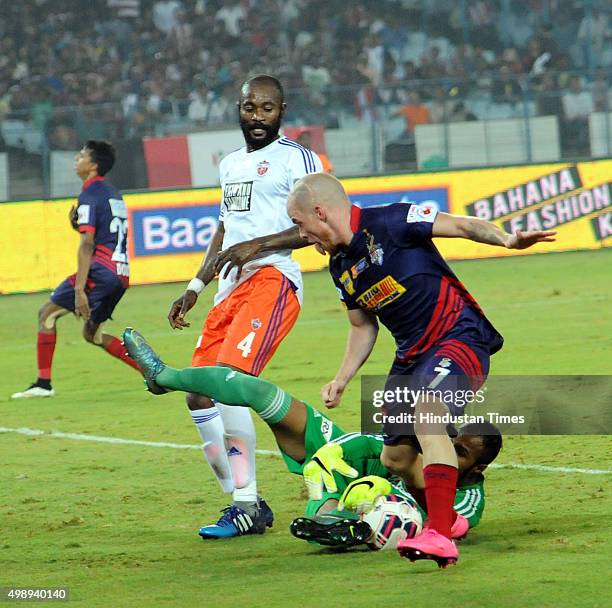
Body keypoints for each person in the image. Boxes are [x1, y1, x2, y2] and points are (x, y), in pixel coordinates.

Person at [285, 173, 555, 566]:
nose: (302, 235)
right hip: (412, 357)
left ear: (320, 212)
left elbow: (462, 225)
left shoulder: (392, 220)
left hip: (460, 339)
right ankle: (450, 518)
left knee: (429, 414)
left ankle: (440, 535)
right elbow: (362, 326)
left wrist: (507, 240)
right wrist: (341, 378)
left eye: (299, 223)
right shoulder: (340, 266)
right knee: (396, 458)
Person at [122, 328, 501, 549]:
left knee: (345, 503)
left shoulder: (468, 500)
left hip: (359, 490)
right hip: (342, 453)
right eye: (453, 439)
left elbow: (442, 521)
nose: (449, 447)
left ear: (479, 467)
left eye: (461, 450)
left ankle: (328, 523)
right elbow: (363, 445)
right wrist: (334, 456)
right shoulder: (421, 446)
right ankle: (164, 377)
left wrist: (372, 501)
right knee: (261, 393)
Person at [166, 75, 323, 539]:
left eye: (267, 109)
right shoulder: (230, 163)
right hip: (227, 289)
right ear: (239, 109)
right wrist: (195, 285)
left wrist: (258, 246)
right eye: (250, 107)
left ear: (282, 110)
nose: (257, 116)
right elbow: (223, 229)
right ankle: (247, 500)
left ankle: (245, 504)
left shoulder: (298, 159)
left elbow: (319, 224)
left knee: (230, 382)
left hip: (273, 279)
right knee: (198, 393)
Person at [11, 141, 140, 399]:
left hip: (100, 272)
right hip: (121, 273)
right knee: (93, 334)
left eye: (81, 155)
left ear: (92, 165)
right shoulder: (113, 193)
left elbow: (87, 245)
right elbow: (108, 233)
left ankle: (43, 384)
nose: (76, 158)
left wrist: (80, 289)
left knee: (46, 314)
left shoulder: (89, 195)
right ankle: (154, 372)